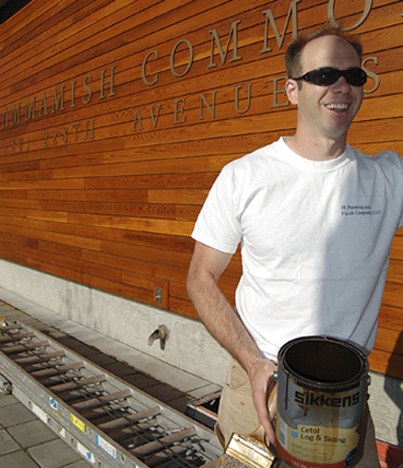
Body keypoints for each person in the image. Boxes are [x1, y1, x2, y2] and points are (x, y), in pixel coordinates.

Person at [187, 23, 403, 467]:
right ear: (291, 89)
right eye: (324, 75)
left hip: (346, 403)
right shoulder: (245, 176)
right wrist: (250, 362)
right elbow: (200, 278)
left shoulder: (388, 178)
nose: (341, 86)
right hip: (261, 386)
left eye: (354, 76)